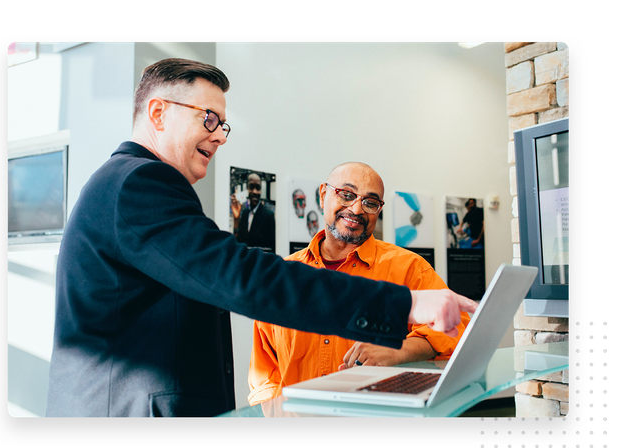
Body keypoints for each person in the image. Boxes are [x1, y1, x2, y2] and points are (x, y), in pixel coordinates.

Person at [45, 58, 478, 417]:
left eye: (223, 125)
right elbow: (239, 277)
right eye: (208, 118)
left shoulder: (129, 184)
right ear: (158, 112)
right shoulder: (140, 183)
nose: (218, 134)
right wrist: (405, 304)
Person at [248, 162, 471, 406]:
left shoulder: (409, 268)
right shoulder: (283, 276)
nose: (356, 209)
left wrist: (398, 350)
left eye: (370, 202)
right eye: (346, 194)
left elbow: (458, 326)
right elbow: (264, 374)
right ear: (323, 195)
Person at [231, 172, 276, 252]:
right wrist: (236, 218)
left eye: (258, 188)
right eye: (251, 187)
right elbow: (239, 242)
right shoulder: (245, 213)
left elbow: (271, 248)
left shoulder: (268, 216)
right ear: (247, 189)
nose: (255, 192)